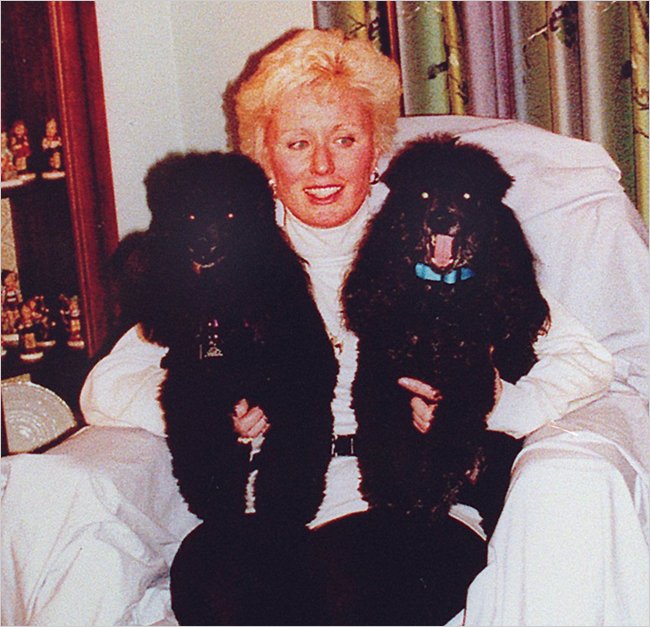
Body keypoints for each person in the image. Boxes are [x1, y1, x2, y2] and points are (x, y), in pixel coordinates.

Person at [80, 29, 613, 625]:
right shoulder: (226, 254)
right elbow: (105, 388)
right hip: (267, 506)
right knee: (217, 575)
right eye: (297, 143)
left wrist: (489, 404)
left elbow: (587, 361)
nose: (323, 166)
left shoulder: (437, 238)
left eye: (345, 139)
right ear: (264, 158)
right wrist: (210, 414)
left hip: (411, 504)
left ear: (376, 148)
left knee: (357, 587)